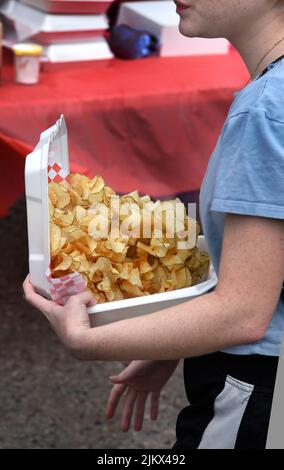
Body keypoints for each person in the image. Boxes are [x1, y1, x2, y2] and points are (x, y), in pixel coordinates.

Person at [23, 0, 284, 449]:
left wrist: (86, 341)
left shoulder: (265, 110)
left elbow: (243, 313)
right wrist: (175, 336)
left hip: (257, 387)